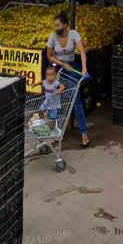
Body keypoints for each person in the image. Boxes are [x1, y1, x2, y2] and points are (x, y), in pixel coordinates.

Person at [46, 11, 90, 147]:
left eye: (58, 25)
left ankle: (83, 132)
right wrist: (61, 64)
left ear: (66, 25)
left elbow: (82, 51)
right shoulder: (52, 37)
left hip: (71, 66)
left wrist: (84, 69)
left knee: (74, 99)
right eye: (55, 26)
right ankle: (58, 131)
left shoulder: (74, 34)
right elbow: (49, 56)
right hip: (56, 65)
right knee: (55, 99)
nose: (56, 28)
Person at [33, 65, 65, 133]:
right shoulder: (45, 82)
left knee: (53, 117)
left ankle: (53, 127)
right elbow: (41, 82)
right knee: (40, 110)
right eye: (48, 75)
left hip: (54, 104)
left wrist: (59, 90)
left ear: (55, 75)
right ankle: (41, 120)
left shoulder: (55, 83)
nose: (50, 77)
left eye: (52, 75)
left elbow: (62, 86)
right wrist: (35, 84)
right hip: (46, 102)